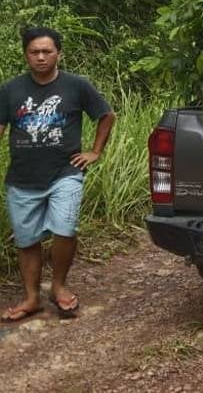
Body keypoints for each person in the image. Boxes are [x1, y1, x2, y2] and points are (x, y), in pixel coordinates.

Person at [0, 27, 116, 322]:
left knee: (65, 228)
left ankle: (59, 286)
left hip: (65, 173)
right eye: (34, 52)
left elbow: (106, 115)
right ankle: (31, 298)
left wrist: (95, 151)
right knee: (27, 240)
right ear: (26, 55)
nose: (40, 57)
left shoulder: (76, 86)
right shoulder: (10, 90)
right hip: (22, 178)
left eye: (46, 51)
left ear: (58, 54)